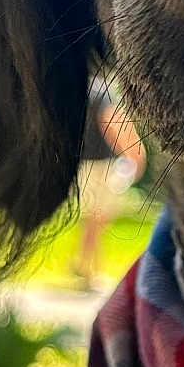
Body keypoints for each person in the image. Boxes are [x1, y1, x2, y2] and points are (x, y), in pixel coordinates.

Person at [73, 78, 145, 289]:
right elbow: (111, 122)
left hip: (85, 165)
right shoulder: (102, 91)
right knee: (99, 219)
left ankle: (89, 267)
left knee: (93, 220)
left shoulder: (81, 91)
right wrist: (133, 154)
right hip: (102, 168)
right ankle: (86, 270)